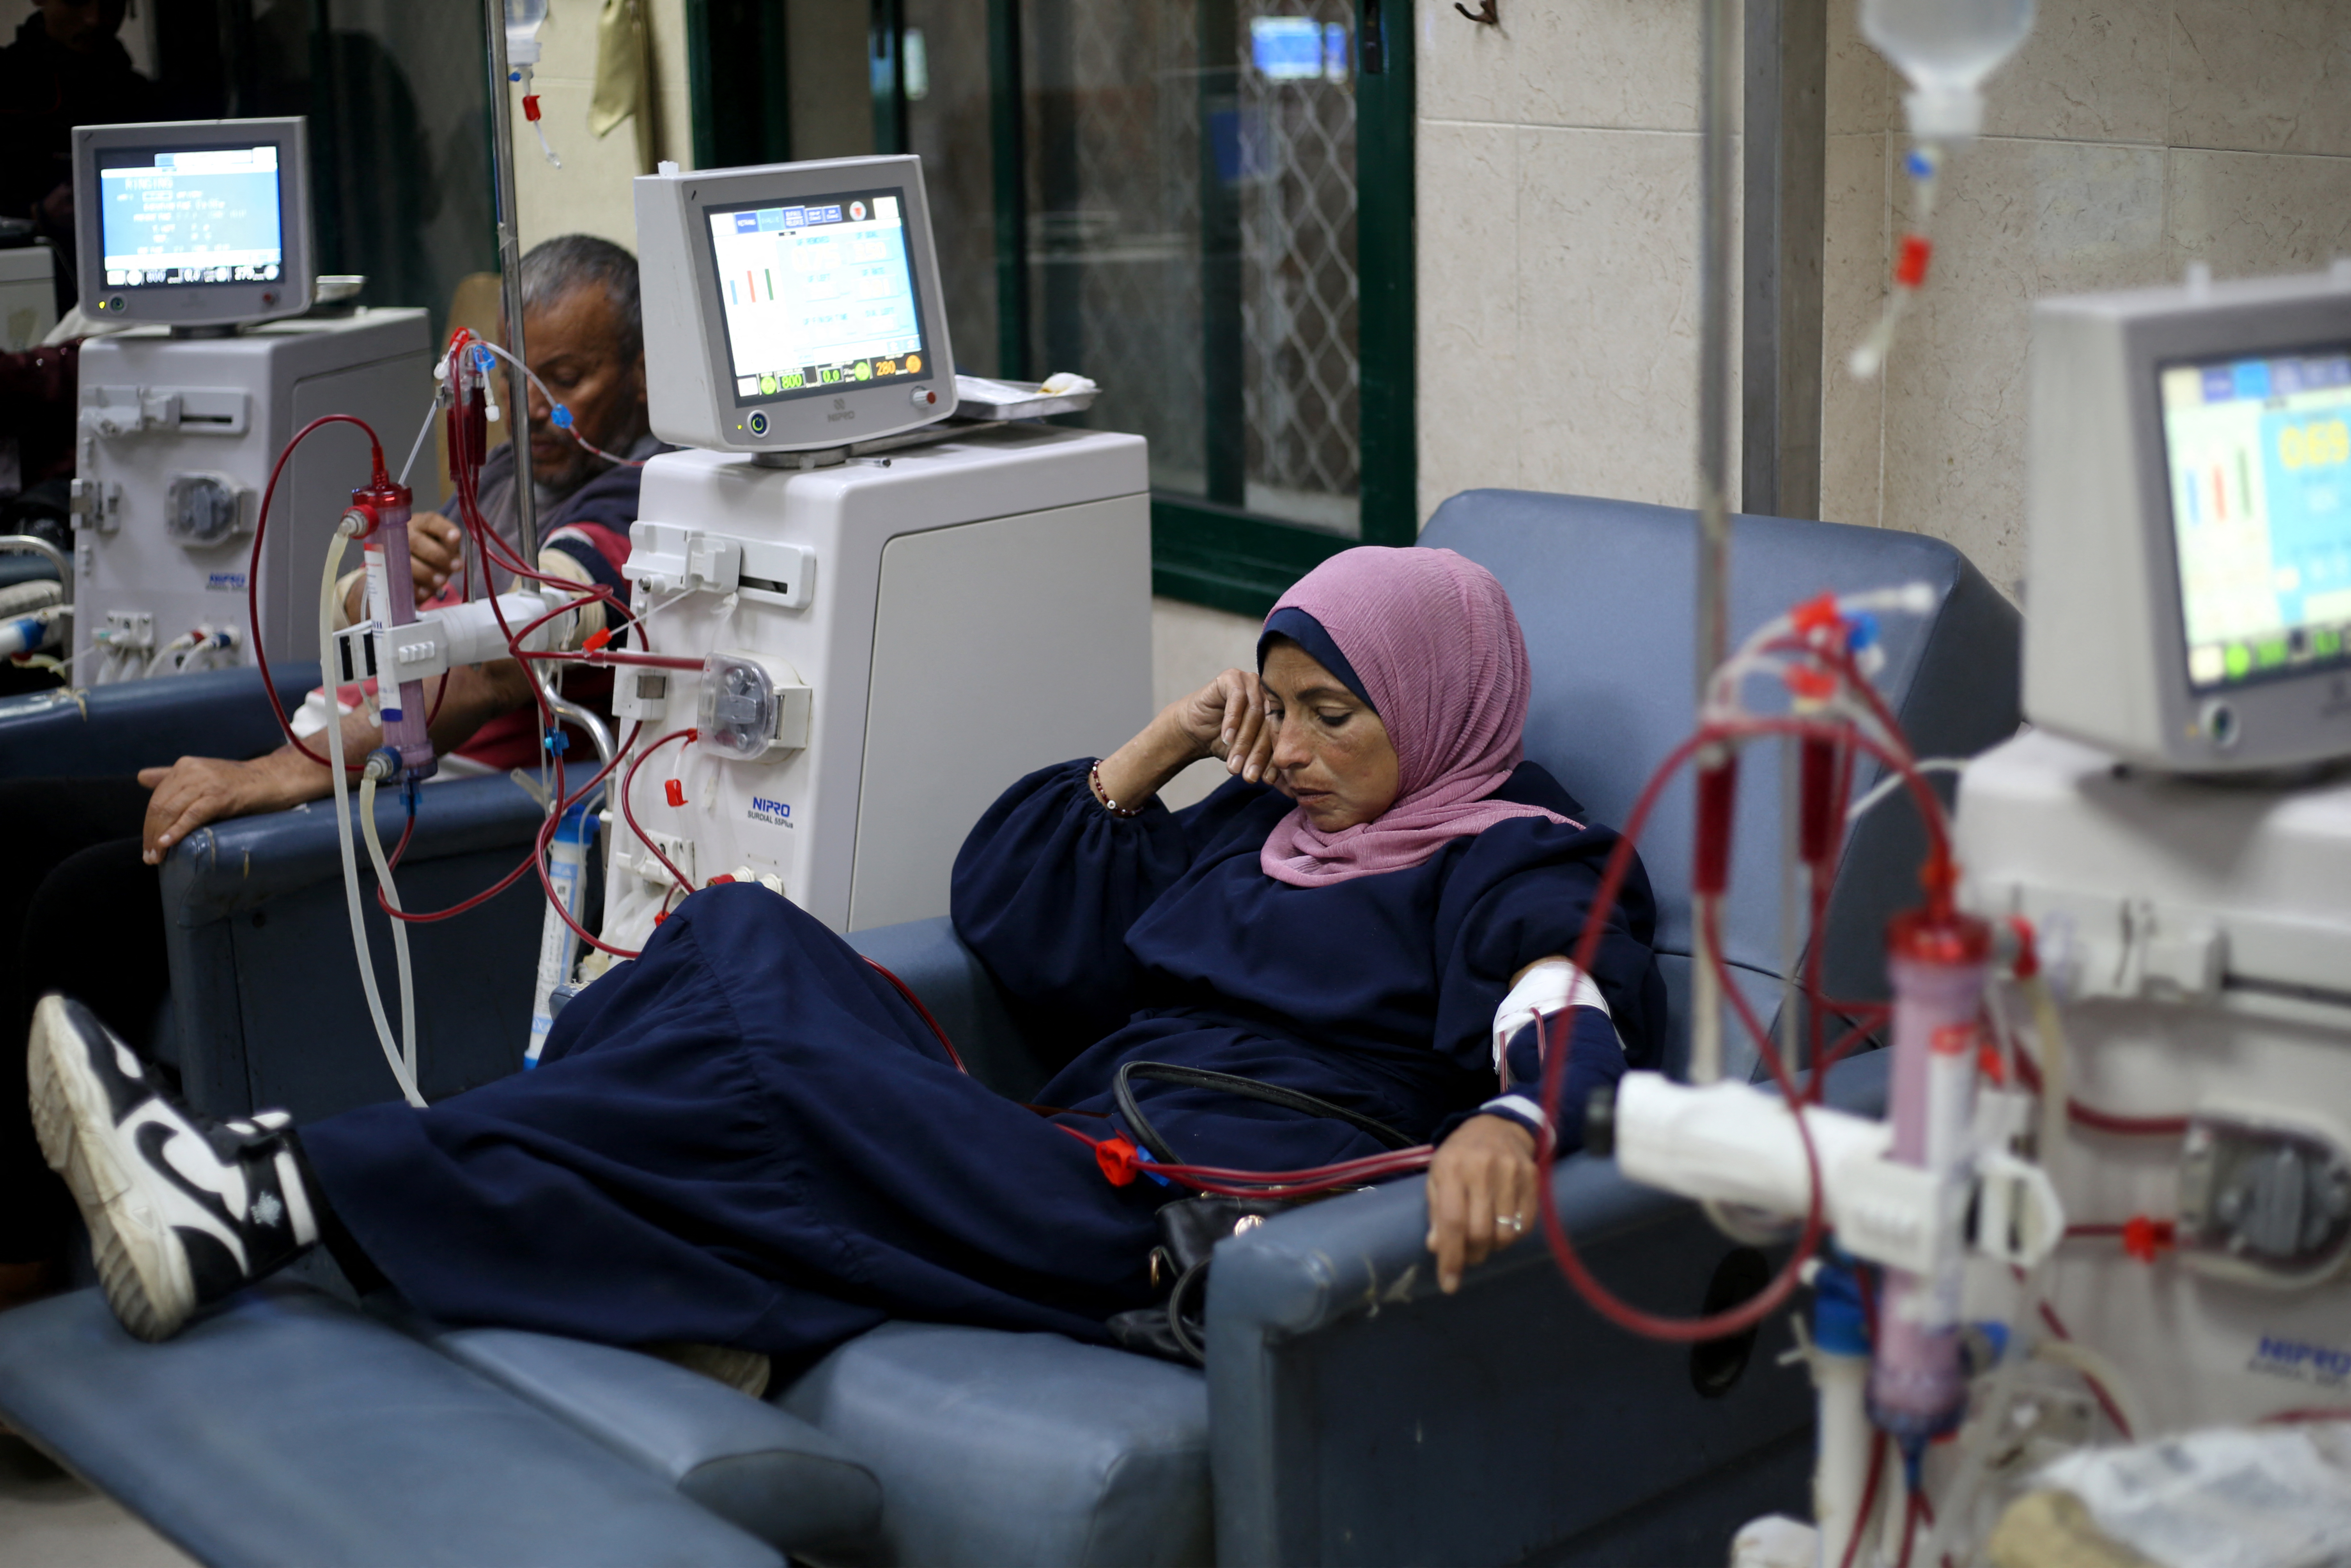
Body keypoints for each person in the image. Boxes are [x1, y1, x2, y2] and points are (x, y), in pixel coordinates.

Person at [26, 546, 1667, 1359]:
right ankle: (352, 1211)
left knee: (740, 1014)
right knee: (730, 927)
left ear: (1439, 702)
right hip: (1053, 1150)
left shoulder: (1511, 854)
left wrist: (1509, 1123)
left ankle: (274, 1187)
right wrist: (1162, 740)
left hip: (1184, 1224)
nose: (1295, 748)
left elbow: (1565, 1014)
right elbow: (1014, 919)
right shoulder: (1262, 822)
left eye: (1335, 715)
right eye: (1278, 706)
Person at [0, 234, 661, 1309]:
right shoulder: (502, 473)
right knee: (19, 819)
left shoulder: (632, 505)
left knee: (86, 897)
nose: (538, 410)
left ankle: (33, 1275)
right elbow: (374, 618)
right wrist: (377, 583)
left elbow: (503, 664)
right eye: (520, 380)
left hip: (430, 812)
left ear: (639, 371)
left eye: (572, 380)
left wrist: (281, 771)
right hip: (346, 754)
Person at [0, 0, 162, 312]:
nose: (95, 19)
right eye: (76, 2)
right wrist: (37, 216)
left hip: (133, 289)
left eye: (111, 5)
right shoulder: (7, 85)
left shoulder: (140, 96)